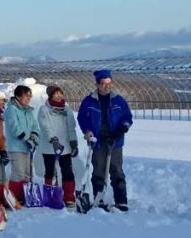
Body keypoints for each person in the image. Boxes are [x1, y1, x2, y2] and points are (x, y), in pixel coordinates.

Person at [77, 70, 133, 211]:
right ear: (97, 84)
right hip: (98, 142)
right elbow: (82, 118)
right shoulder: (89, 101)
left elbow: (127, 117)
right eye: (103, 83)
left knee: (117, 171)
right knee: (99, 172)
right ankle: (99, 199)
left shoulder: (118, 100)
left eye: (109, 83)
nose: (107, 86)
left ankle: (121, 200)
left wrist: (122, 129)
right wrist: (88, 131)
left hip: (115, 142)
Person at [37, 85, 80, 210]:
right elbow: (45, 126)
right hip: (49, 146)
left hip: (65, 147)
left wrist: (73, 143)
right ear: (50, 95)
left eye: (60, 93)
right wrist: (53, 140)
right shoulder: (44, 109)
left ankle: (69, 197)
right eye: (56, 94)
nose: (59, 96)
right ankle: (49, 196)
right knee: (50, 172)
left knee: (67, 171)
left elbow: (71, 127)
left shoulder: (67, 109)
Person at [3, 84, 39, 206]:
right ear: (18, 96)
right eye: (26, 96)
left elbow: (35, 126)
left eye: (30, 96)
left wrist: (34, 138)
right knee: (18, 173)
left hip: (27, 147)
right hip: (16, 147)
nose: (28, 98)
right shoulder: (11, 109)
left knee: (27, 174)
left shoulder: (28, 111)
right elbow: (14, 128)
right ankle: (14, 198)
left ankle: (25, 197)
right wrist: (26, 138)